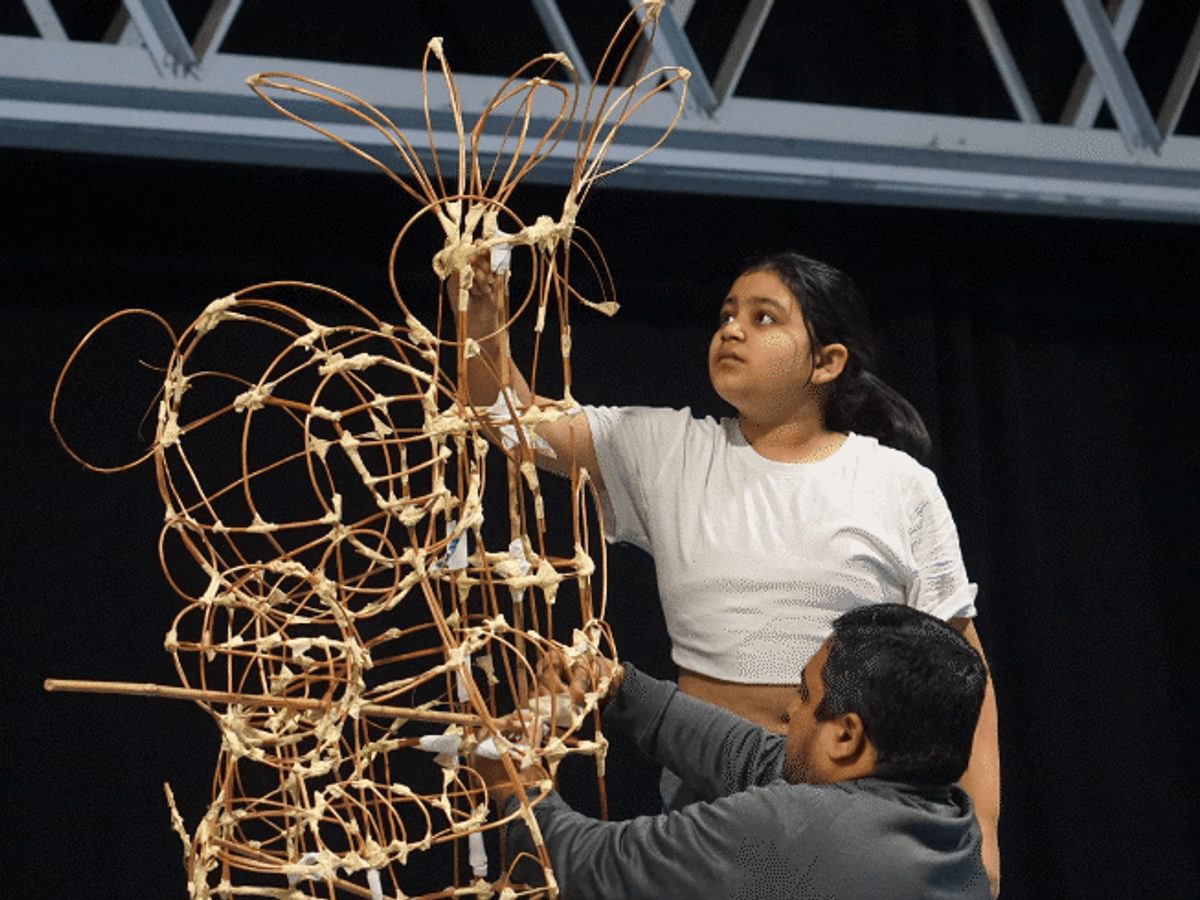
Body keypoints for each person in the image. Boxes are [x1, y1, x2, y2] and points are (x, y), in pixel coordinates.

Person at [464, 248, 1000, 892]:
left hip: (851, 799)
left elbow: (959, 671)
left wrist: (986, 837)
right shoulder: (668, 450)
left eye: (765, 317)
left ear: (827, 362)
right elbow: (509, 421)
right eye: (727, 314)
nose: (733, 329)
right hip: (711, 792)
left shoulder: (897, 483)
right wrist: (482, 309)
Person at [475, 604, 990, 900]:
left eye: (806, 696)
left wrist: (516, 788)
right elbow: (756, 761)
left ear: (847, 736)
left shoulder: (800, 834)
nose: (791, 713)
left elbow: (593, 868)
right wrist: (618, 688)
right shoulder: (951, 826)